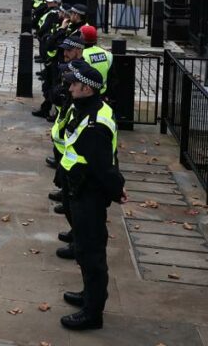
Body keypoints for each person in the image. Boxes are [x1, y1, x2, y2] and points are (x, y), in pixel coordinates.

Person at [57, 63, 125, 331]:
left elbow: (102, 165)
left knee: (91, 253)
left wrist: (117, 189)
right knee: (85, 251)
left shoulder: (95, 124)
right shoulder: (89, 108)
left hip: (89, 194)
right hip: (79, 189)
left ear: (87, 88)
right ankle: (89, 296)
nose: (70, 86)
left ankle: (92, 313)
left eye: (74, 84)